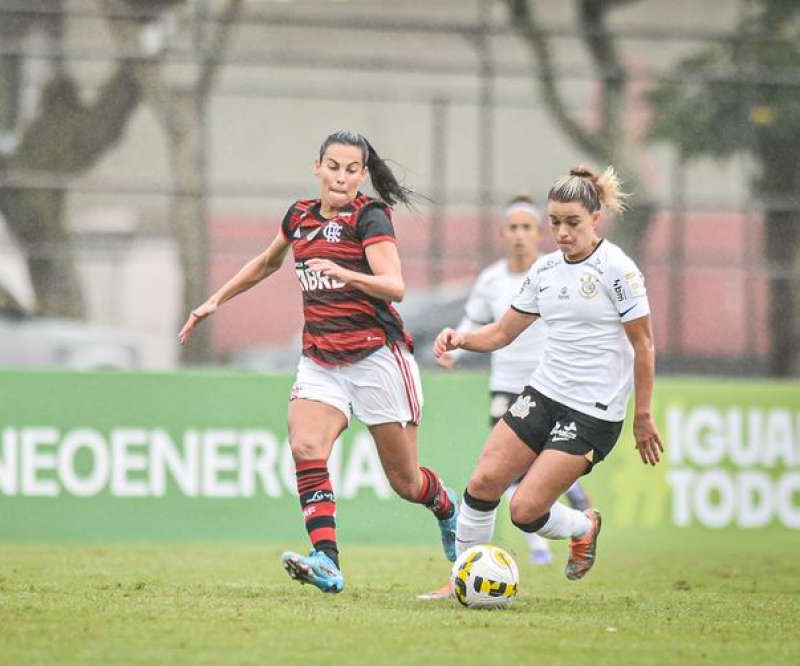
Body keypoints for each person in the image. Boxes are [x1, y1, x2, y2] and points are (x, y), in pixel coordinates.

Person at [178, 130, 457, 594]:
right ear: (317, 167)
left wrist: (346, 272)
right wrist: (215, 300)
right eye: (333, 166)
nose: (341, 177)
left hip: (376, 358)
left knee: (407, 482)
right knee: (306, 446)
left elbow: (395, 286)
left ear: (362, 175)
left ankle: (447, 509)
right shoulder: (299, 216)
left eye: (352, 169)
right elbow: (268, 262)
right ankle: (326, 560)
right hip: (322, 359)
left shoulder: (371, 217)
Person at [433, 165, 663, 583]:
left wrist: (643, 415)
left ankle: (584, 526)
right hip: (544, 392)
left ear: (595, 218)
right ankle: (461, 582)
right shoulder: (544, 271)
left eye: (572, 222)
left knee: (525, 510)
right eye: (554, 223)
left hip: (593, 412)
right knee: (484, 481)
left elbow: (643, 345)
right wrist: (460, 339)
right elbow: (503, 331)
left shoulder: (619, 270)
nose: (561, 233)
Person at [439, 195, 591, 567]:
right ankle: (540, 547)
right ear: (503, 233)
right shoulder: (491, 279)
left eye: (527, 227)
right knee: (505, 473)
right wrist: (453, 351)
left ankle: (575, 502)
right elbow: (474, 322)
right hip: (506, 387)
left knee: (540, 467)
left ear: (539, 232)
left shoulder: (555, 271)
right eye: (513, 228)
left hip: (551, 388)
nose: (520, 235)